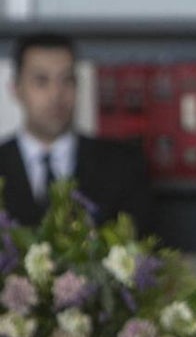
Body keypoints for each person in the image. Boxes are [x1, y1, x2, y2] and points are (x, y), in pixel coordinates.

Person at [0, 32, 151, 231]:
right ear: (16, 89)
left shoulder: (122, 163)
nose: (56, 94)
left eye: (67, 80)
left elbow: (144, 251)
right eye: (41, 81)